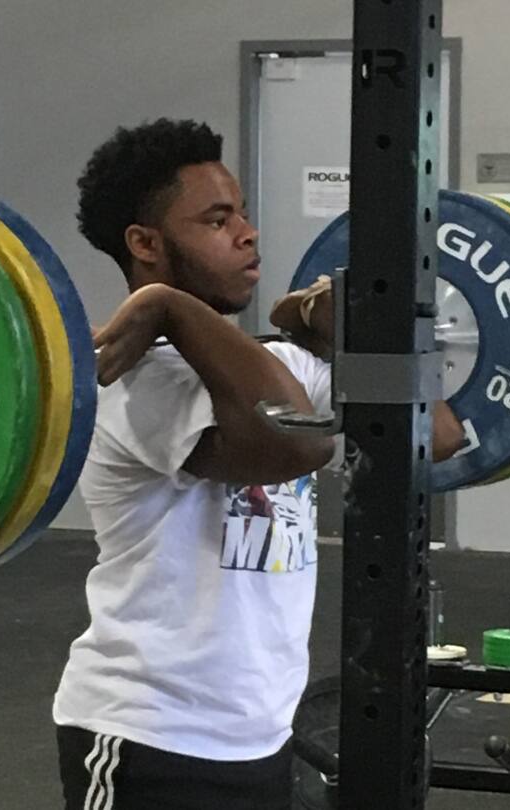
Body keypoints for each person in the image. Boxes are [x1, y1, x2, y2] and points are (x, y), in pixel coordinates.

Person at [55, 118, 462, 809]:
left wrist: (347, 336)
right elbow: (295, 444)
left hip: (260, 735)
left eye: (241, 213)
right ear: (145, 244)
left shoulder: (281, 363)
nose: (248, 233)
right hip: (146, 736)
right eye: (217, 220)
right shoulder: (131, 381)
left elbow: (435, 433)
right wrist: (167, 309)